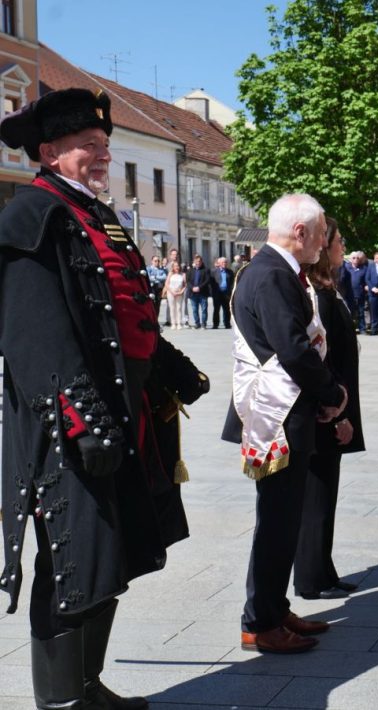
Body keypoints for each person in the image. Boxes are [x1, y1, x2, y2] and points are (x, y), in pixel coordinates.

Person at [0, 88, 209, 706]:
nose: (103, 155)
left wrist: (172, 367)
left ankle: (88, 688)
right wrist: (83, 422)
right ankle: (62, 701)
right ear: (49, 152)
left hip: (124, 414)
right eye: (88, 146)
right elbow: (37, 337)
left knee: (110, 557)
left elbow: (123, 313)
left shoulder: (95, 216)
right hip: (68, 424)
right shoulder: (30, 217)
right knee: (72, 561)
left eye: (105, 145)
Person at [222, 193, 347, 655]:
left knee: (283, 518)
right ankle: (260, 621)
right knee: (276, 521)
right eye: (319, 235)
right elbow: (293, 349)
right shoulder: (272, 274)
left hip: (288, 410)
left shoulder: (272, 271)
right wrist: (332, 394)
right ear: (300, 232)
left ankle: (273, 607)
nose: (322, 244)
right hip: (278, 415)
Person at [294, 217, 364, 600]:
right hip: (325, 409)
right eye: (336, 241)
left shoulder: (330, 288)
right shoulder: (317, 294)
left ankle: (324, 569)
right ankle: (309, 577)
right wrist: (336, 409)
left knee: (326, 493)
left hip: (337, 403)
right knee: (316, 496)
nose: (340, 247)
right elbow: (321, 355)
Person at [209, 256, 235, 329]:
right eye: (223, 262)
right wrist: (212, 293)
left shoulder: (230, 272)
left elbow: (232, 283)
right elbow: (211, 283)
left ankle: (227, 324)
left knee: (227, 310)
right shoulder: (214, 271)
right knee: (216, 309)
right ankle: (215, 324)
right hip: (217, 294)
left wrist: (231, 292)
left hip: (226, 294)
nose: (225, 263)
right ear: (219, 263)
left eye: (226, 262)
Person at [186, 254, 210, 329]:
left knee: (204, 309)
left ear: (201, 262)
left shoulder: (206, 270)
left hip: (202, 293)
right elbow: (188, 281)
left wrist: (199, 287)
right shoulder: (190, 270)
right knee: (194, 309)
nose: (198, 263)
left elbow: (207, 280)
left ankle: (203, 323)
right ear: (194, 262)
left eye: (199, 261)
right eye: (196, 261)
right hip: (193, 293)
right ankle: (197, 323)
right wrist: (192, 288)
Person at [163, 261, 187, 330]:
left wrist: (181, 292)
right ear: (173, 267)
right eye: (175, 266)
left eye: (178, 266)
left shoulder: (183, 274)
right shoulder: (170, 273)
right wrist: (172, 292)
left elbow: (185, 285)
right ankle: (173, 323)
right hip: (171, 293)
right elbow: (166, 284)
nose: (177, 267)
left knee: (179, 308)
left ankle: (179, 323)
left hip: (179, 293)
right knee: (172, 308)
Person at [348, 251, 368, 333]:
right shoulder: (346, 268)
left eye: (357, 258)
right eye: (354, 258)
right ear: (350, 259)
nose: (356, 259)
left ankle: (362, 328)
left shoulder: (364, 269)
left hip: (360, 294)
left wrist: (367, 286)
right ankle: (350, 329)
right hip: (350, 294)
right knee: (350, 313)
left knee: (361, 312)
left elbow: (366, 280)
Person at [147, 255, 168, 323]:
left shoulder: (162, 269)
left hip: (159, 288)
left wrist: (155, 277)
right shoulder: (149, 268)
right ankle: (151, 319)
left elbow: (164, 277)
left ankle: (156, 320)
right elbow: (149, 277)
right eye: (155, 261)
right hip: (151, 288)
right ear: (152, 261)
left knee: (158, 304)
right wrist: (158, 278)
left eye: (158, 261)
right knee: (151, 304)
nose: (157, 262)